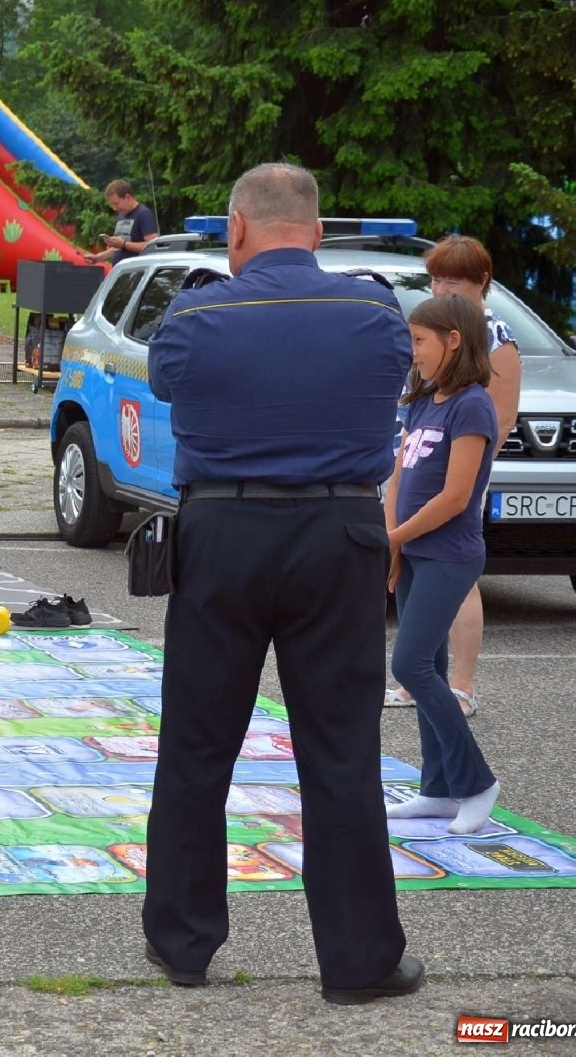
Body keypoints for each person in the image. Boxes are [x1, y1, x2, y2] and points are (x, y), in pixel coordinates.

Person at [144, 163, 422, 1005]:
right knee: (340, 751)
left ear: (235, 229)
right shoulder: (376, 309)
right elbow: (393, 386)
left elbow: (163, 380)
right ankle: (359, 959)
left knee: (197, 746)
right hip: (339, 535)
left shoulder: (193, 314)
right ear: (318, 227)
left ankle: (184, 943)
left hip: (222, 532)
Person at [384, 235, 521, 717]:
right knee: (415, 580)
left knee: (454, 574)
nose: (442, 289)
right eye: (436, 279)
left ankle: (460, 683)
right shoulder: (431, 329)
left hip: (459, 469)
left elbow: (499, 417)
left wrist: (464, 472)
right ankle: (422, 677)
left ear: (481, 282)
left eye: (453, 281)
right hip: (422, 454)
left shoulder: (494, 337)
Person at [383, 294, 503, 834]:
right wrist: (392, 539)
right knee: (425, 666)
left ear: (453, 340)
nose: (414, 353)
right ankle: (438, 790)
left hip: (449, 555)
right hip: (413, 552)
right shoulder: (426, 400)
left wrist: (399, 538)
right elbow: (400, 475)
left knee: (408, 666)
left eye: (420, 342)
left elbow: (456, 496)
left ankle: (477, 783)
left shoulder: (473, 405)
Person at [88, 179, 159, 266]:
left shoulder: (143, 214)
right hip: (121, 272)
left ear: (127, 197)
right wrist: (99, 257)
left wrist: (124, 244)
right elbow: (118, 248)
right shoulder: (121, 216)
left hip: (137, 271)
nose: (114, 208)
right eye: (112, 205)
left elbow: (152, 245)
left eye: (116, 203)